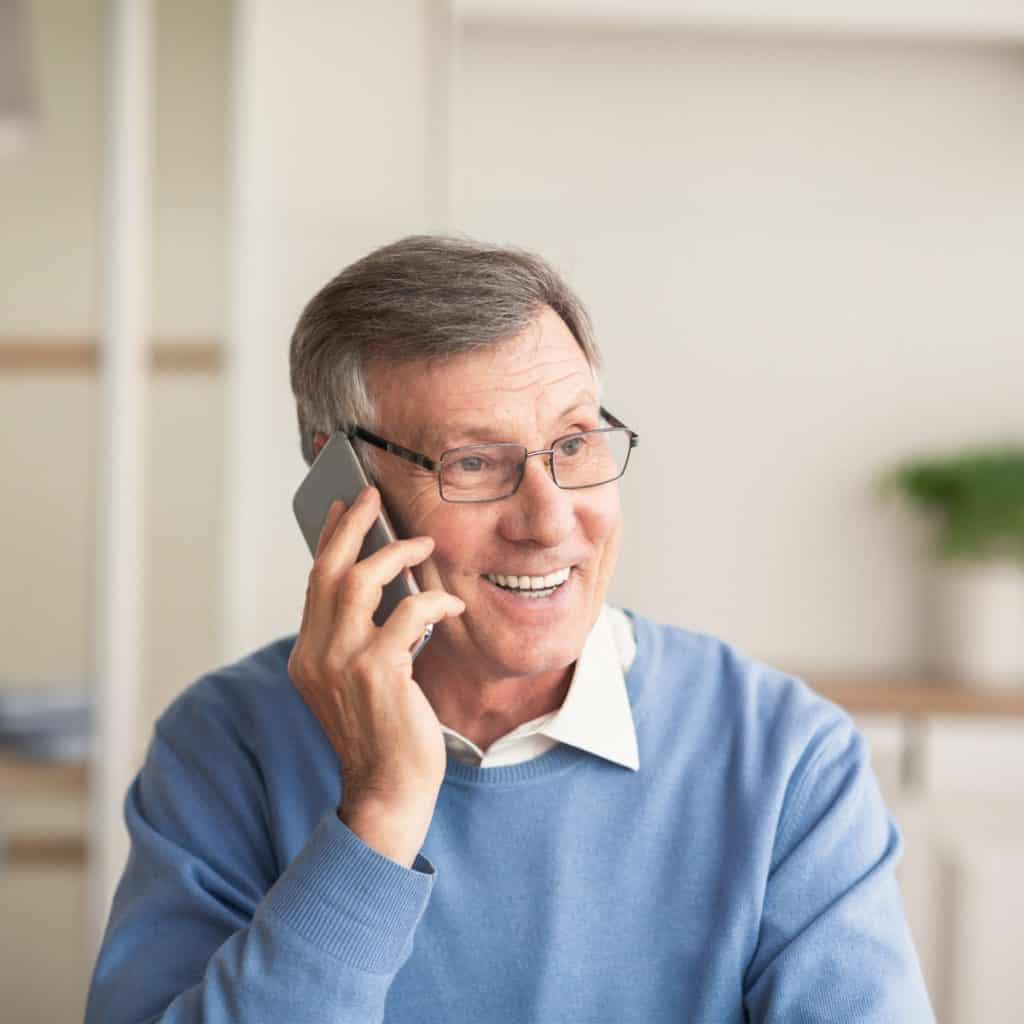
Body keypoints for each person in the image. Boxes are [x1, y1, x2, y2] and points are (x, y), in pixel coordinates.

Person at [85, 235, 935, 1022]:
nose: (549, 520)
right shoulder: (226, 743)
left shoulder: (784, 756)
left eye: (574, 443)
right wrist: (376, 816)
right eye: (474, 463)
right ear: (339, 485)